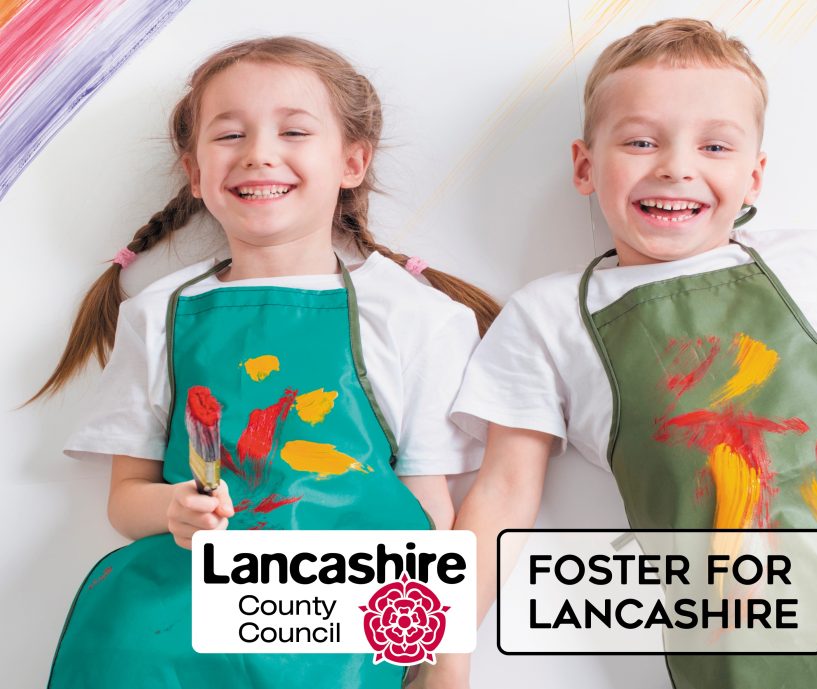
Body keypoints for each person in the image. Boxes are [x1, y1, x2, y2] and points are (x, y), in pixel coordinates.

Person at [432, 18, 817, 689]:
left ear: (754, 177)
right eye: (640, 140)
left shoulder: (810, 263)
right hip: (752, 649)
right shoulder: (549, 316)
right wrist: (447, 658)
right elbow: (503, 493)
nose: (677, 165)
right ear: (585, 165)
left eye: (714, 144)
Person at [34, 36, 497, 689]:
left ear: (352, 161)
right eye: (230, 134)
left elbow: (429, 518)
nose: (258, 152)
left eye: (294, 130)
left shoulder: (416, 319)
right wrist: (173, 507)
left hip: (337, 641)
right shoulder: (159, 315)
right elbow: (124, 500)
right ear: (195, 173)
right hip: (169, 635)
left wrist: (439, 668)